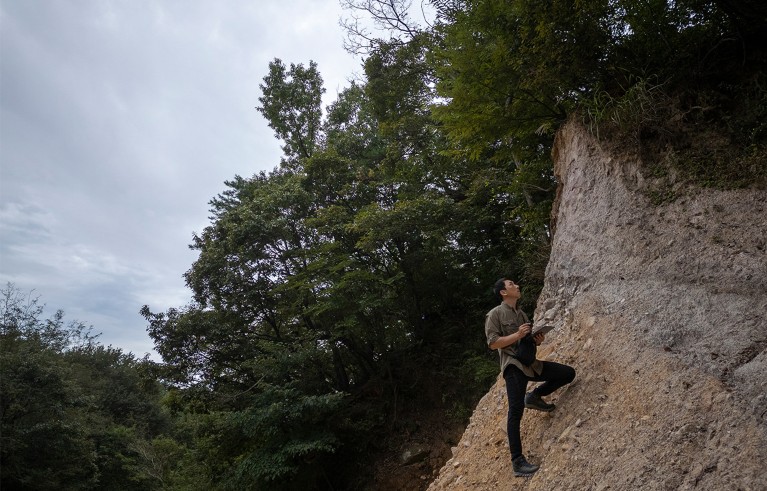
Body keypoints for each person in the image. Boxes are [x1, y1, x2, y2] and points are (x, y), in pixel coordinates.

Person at [484, 278, 576, 477]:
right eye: (511, 284)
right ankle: (517, 462)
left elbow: (527, 343)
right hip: (513, 367)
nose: (516, 286)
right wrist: (517, 335)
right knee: (515, 412)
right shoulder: (495, 314)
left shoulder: (522, 314)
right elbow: (493, 343)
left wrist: (537, 340)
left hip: (530, 364)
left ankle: (534, 397)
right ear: (503, 292)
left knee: (568, 373)